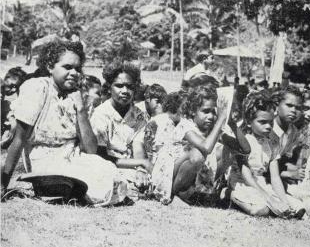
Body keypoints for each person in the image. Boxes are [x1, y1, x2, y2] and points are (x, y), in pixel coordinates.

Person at [1, 40, 133, 205]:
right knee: (83, 183)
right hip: (44, 161)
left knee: (112, 177)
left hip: (73, 158)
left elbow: (91, 150)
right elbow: (19, 139)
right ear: (50, 66)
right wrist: (3, 183)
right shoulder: (37, 88)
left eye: (78, 69)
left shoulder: (77, 96)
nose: (74, 73)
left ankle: (69, 190)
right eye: (67, 67)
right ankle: (58, 188)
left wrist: (81, 109)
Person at [151, 86, 250, 205]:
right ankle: (177, 194)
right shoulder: (185, 125)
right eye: (206, 111)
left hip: (192, 179)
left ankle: (199, 193)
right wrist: (220, 120)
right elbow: (206, 148)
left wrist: (230, 122)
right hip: (169, 176)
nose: (211, 116)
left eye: (214, 112)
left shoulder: (214, 128)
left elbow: (245, 149)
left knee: (226, 150)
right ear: (193, 111)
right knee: (197, 154)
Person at [228, 91, 305, 218]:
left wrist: (283, 201)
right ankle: (228, 194)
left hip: (261, 183)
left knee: (297, 206)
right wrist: (271, 200)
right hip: (242, 183)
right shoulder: (243, 141)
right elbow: (247, 177)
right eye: (262, 122)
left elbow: (275, 177)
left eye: (271, 122)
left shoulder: (273, 142)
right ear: (248, 121)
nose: (268, 126)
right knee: (260, 210)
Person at [90, 62, 151, 186]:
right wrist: (141, 163)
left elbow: (138, 146)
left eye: (130, 86)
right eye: (119, 86)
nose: (125, 91)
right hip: (107, 164)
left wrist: (140, 170)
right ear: (108, 88)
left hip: (132, 165)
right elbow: (101, 156)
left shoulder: (139, 115)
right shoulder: (100, 115)